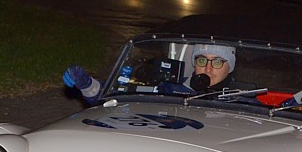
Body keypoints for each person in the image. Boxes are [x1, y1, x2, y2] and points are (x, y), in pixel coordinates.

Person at [62, 43, 237, 105]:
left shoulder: (242, 98)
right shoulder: (170, 87)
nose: (207, 69)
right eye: (201, 60)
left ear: (229, 66)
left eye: (217, 62)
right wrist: (87, 85)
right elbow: (113, 98)